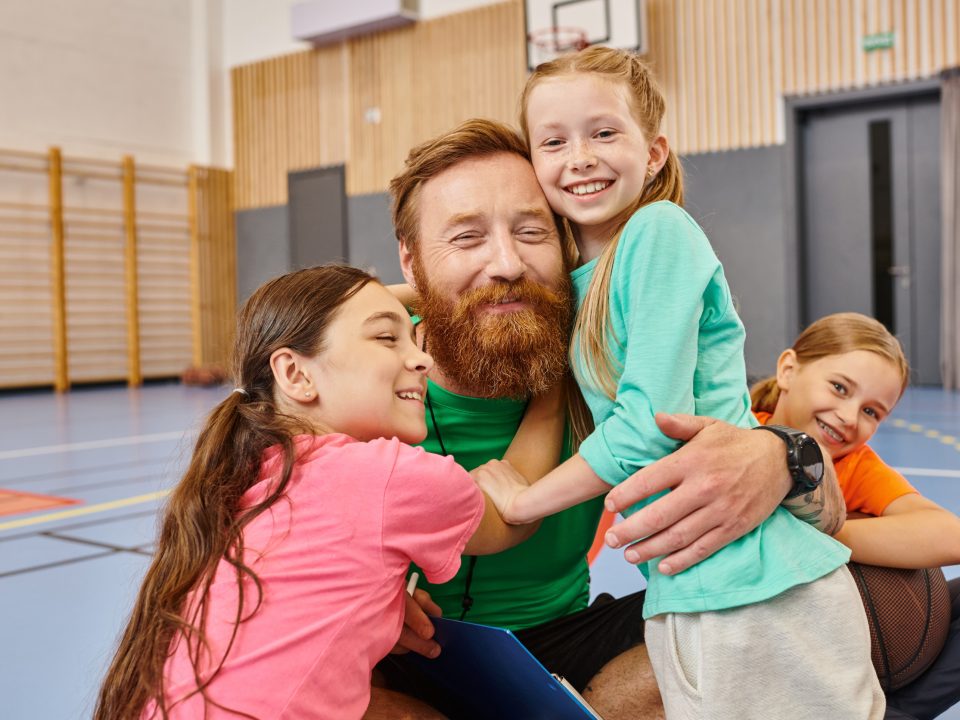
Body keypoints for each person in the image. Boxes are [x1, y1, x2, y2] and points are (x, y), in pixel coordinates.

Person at [370, 117, 849, 720]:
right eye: (466, 238)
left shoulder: (607, 367)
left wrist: (781, 458)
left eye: (531, 231)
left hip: (566, 641)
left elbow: (829, 516)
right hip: (397, 652)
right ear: (411, 264)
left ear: (568, 245)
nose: (507, 263)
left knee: (856, 601)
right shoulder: (361, 382)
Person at [475, 46, 884, 719]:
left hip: (757, 581)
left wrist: (525, 504)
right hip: (688, 584)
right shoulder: (582, 277)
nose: (579, 156)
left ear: (655, 151)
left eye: (604, 132)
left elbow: (648, 426)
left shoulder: (659, 234)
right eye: (555, 141)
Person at [93, 265, 545, 720]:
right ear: (294, 373)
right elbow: (514, 516)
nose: (422, 358)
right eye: (388, 338)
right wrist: (556, 373)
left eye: (412, 338)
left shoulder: (245, 471)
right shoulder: (386, 476)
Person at [751, 311, 960, 720]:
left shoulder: (853, 464)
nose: (849, 417)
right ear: (789, 369)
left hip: (843, 637)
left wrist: (825, 531)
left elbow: (949, 535)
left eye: (872, 413)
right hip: (771, 639)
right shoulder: (744, 436)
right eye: (839, 387)